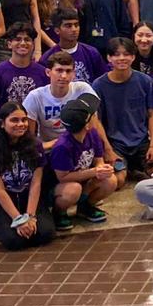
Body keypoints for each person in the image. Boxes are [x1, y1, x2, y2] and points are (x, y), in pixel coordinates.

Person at [0, 102, 56, 251]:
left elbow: (36, 183)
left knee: (45, 234)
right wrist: (19, 220)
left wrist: (31, 216)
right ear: (2, 123)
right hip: (1, 201)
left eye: (24, 120)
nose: (20, 124)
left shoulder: (36, 145)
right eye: (14, 120)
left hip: (28, 198)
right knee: (15, 242)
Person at [49, 94, 126, 230]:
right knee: (73, 190)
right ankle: (59, 211)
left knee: (110, 180)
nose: (95, 119)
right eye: (92, 117)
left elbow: (98, 159)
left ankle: (85, 206)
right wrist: (94, 172)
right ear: (87, 124)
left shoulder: (93, 134)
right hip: (62, 185)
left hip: (84, 178)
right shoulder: (62, 147)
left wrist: (101, 169)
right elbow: (63, 177)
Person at [92, 38, 153, 179]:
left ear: (133, 57)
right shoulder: (98, 85)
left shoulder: (145, 81)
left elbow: (152, 114)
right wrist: (107, 149)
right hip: (115, 144)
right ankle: (130, 170)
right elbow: (96, 120)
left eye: (126, 54)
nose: (122, 58)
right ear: (109, 58)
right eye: (116, 54)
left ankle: (136, 168)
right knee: (117, 180)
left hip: (141, 142)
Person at [22, 52, 95, 148]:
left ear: (74, 74)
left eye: (68, 71)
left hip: (79, 146)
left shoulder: (83, 89)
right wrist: (56, 144)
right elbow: (28, 138)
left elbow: (93, 126)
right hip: (49, 147)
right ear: (48, 72)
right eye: (59, 70)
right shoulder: (35, 96)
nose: (64, 76)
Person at [0, 23, 49, 108]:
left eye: (27, 39)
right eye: (18, 39)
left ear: (33, 45)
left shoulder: (43, 73)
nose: (23, 43)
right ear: (9, 44)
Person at [40, 9, 104, 83]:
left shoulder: (92, 53)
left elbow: (101, 82)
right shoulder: (47, 58)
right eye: (68, 26)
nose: (74, 29)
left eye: (76, 25)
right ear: (57, 30)